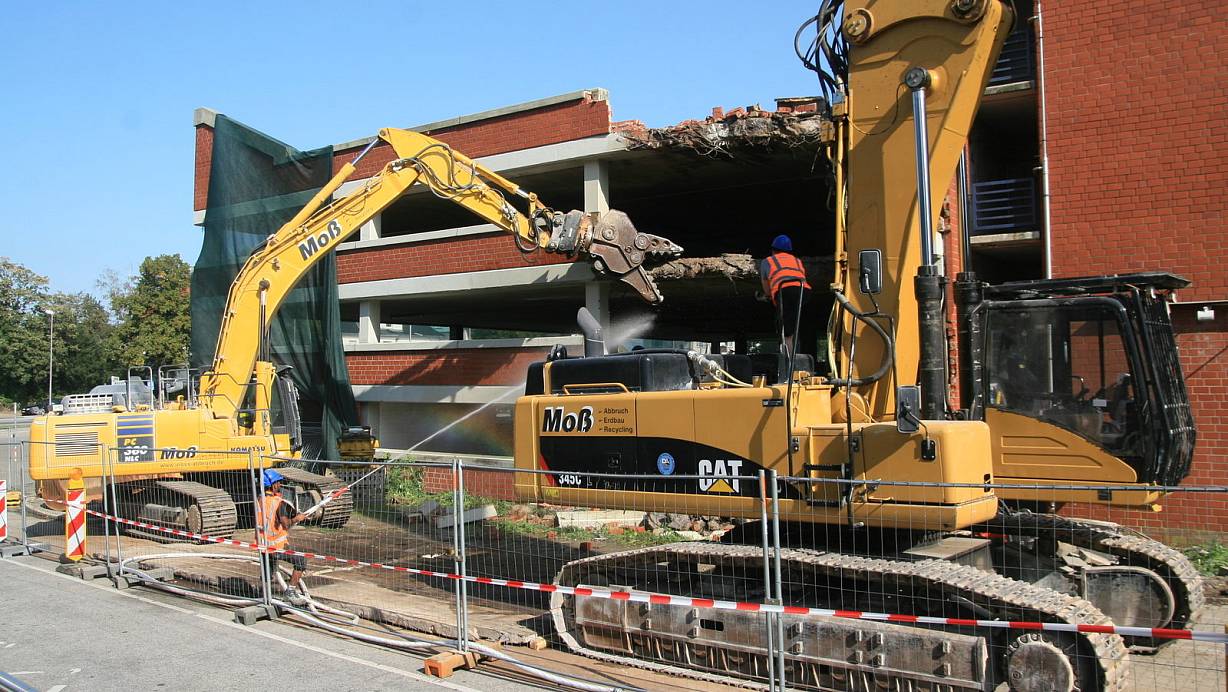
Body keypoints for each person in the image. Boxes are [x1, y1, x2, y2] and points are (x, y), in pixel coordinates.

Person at [255, 469, 309, 605]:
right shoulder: (279, 502)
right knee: (301, 561)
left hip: (262, 544)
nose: (280, 485)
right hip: (276, 546)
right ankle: (290, 592)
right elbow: (285, 524)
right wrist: (297, 518)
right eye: (278, 483)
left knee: (268, 571)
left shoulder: (260, 500)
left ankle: (264, 596)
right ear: (273, 485)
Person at [759, 234, 811, 357]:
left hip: (785, 292)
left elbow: (766, 287)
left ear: (773, 250)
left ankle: (788, 360)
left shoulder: (767, 261)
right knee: (794, 322)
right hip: (804, 292)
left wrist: (768, 296)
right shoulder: (797, 261)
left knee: (785, 330)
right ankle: (794, 354)